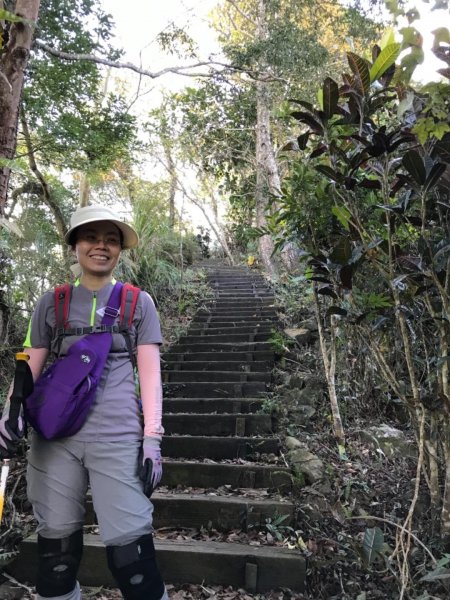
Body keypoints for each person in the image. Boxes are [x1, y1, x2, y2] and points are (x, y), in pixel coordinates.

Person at [0, 205, 168, 600]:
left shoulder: (137, 303)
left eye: (111, 240)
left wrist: (152, 440)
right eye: (91, 237)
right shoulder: (51, 304)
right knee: (55, 560)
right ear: (74, 245)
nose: (101, 246)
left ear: (120, 251)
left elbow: (151, 376)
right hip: (54, 439)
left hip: (118, 437)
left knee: (133, 561)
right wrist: (8, 419)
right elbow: (28, 368)